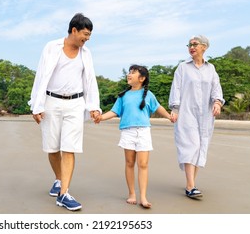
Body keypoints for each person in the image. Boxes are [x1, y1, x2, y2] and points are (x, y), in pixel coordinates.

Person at [28, 13, 101, 211]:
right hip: (51, 101)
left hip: (76, 104)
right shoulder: (51, 47)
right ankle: (59, 180)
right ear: (74, 30)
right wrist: (36, 105)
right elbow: (41, 75)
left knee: (70, 147)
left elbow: (90, 80)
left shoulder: (86, 53)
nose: (87, 39)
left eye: (89, 36)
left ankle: (63, 193)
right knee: (52, 148)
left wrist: (94, 106)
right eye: (85, 34)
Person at [94, 65, 172, 208]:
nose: (129, 75)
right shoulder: (123, 95)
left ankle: (143, 197)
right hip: (127, 132)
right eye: (129, 72)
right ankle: (132, 193)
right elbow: (114, 111)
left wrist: (169, 116)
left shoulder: (148, 95)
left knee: (143, 164)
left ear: (142, 79)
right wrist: (101, 117)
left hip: (143, 132)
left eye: (133, 73)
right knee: (130, 163)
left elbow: (158, 107)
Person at [169, 35, 224, 199]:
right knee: (189, 146)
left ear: (204, 47)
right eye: (189, 45)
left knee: (200, 146)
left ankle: (191, 184)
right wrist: (175, 108)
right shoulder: (182, 67)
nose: (191, 47)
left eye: (195, 44)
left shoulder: (211, 68)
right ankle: (191, 186)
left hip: (205, 115)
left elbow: (216, 88)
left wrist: (217, 103)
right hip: (186, 113)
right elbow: (176, 89)